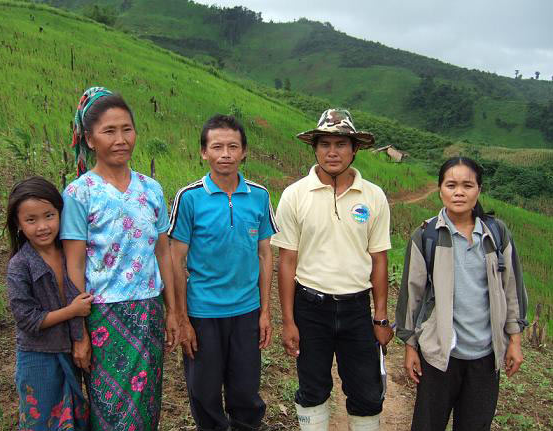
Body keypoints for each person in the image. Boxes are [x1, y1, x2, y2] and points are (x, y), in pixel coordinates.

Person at [60, 87, 179, 430]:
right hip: (102, 316)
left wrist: (173, 310)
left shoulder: (151, 189)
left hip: (148, 312)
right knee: (109, 408)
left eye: (127, 129)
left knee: (146, 405)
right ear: (89, 139)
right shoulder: (79, 193)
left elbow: (164, 253)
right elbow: (74, 266)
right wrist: (79, 332)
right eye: (109, 131)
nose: (120, 139)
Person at [272, 109, 393, 431]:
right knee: (312, 390)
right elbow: (287, 260)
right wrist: (288, 321)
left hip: (357, 308)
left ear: (355, 149)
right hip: (310, 307)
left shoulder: (373, 196)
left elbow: (379, 258)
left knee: (366, 393)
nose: (332, 152)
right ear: (315, 148)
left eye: (341, 144)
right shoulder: (295, 195)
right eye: (325, 144)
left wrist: (381, 317)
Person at [395, 156, 528, 431]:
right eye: (451, 185)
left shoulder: (496, 234)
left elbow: (512, 288)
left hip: (485, 356)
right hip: (438, 356)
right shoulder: (426, 236)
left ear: (479, 189)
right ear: (440, 189)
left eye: (467, 185)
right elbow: (411, 294)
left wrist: (514, 339)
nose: (459, 192)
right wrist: (410, 346)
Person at [169, 114, 278, 431]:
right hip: (202, 313)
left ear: (244, 151)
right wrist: (182, 319)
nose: (226, 154)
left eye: (233, 146)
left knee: (246, 390)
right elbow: (176, 260)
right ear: (204, 152)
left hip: (246, 310)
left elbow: (264, 254)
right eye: (217, 147)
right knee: (204, 392)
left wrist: (265, 312)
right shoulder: (189, 198)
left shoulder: (259, 195)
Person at [6, 176, 91, 431]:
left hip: (68, 351)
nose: (42, 227)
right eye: (31, 220)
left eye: (49, 216)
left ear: (60, 214)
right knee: (41, 420)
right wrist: (71, 311)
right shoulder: (20, 265)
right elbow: (27, 319)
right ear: (18, 224)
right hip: (38, 356)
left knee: (73, 418)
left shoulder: (70, 254)